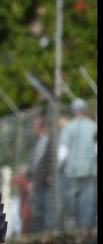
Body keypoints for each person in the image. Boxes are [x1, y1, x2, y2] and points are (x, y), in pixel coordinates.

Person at [58, 97, 97, 230]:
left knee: (70, 205)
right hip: (90, 171)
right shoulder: (93, 126)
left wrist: (57, 168)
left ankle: (73, 232)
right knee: (88, 205)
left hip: (72, 172)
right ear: (85, 109)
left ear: (73, 110)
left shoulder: (68, 127)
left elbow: (62, 152)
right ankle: (86, 232)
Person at [26, 114, 53, 233]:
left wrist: (35, 178)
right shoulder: (39, 142)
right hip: (37, 181)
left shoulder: (47, 141)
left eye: (35, 126)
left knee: (43, 210)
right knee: (37, 209)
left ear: (39, 127)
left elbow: (42, 161)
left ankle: (43, 232)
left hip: (43, 181)